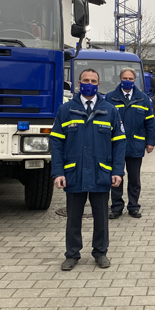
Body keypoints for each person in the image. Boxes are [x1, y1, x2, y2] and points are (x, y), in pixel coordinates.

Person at [51, 68, 126, 271]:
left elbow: (119, 144)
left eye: (93, 80)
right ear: (78, 83)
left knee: (101, 217)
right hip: (74, 173)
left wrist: (118, 171)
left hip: (101, 173)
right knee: (73, 218)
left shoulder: (110, 110)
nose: (89, 83)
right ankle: (72, 254)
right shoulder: (65, 110)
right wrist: (58, 172)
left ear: (98, 85)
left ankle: (100, 253)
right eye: (86, 80)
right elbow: (56, 143)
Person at [107, 67, 155, 219]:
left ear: (135, 80)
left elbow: (150, 123)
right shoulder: (110, 98)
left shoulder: (143, 99)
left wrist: (151, 141)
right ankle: (116, 207)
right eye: (125, 79)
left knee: (134, 178)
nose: (127, 81)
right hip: (115, 146)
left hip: (136, 145)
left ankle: (133, 206)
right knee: (116, 177)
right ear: (120, 79)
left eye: (130, 79)